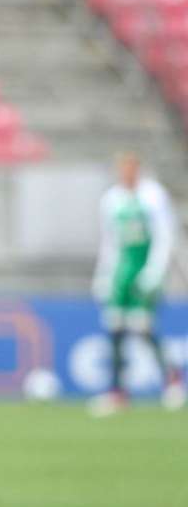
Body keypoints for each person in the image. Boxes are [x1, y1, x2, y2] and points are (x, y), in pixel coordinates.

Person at [90, 151, 185, 416]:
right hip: (121, 270)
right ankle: (117, 391)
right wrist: (104, 275)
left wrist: (154, 272)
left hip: (144, 267)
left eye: (130, 168)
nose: (126, 173)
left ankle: (172, 378)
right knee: (115, 328)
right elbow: (109, 242)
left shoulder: (153, 196)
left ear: (138, 169)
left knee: (143, 327)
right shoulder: (111, 200)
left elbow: (165, 236)